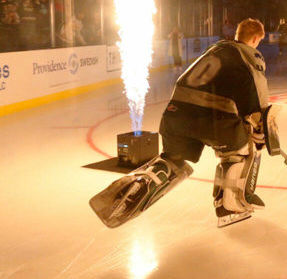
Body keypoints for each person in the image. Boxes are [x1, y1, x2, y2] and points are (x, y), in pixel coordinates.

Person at [92, 18, 271, 229]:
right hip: (213, 119)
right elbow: (256, 95)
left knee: (172, 159)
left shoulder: (215, 49)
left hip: (175, 116)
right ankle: (228, 207)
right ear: (256, 38)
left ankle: (143, 181)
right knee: (239, 151)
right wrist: (260, 126)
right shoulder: (250, 54)